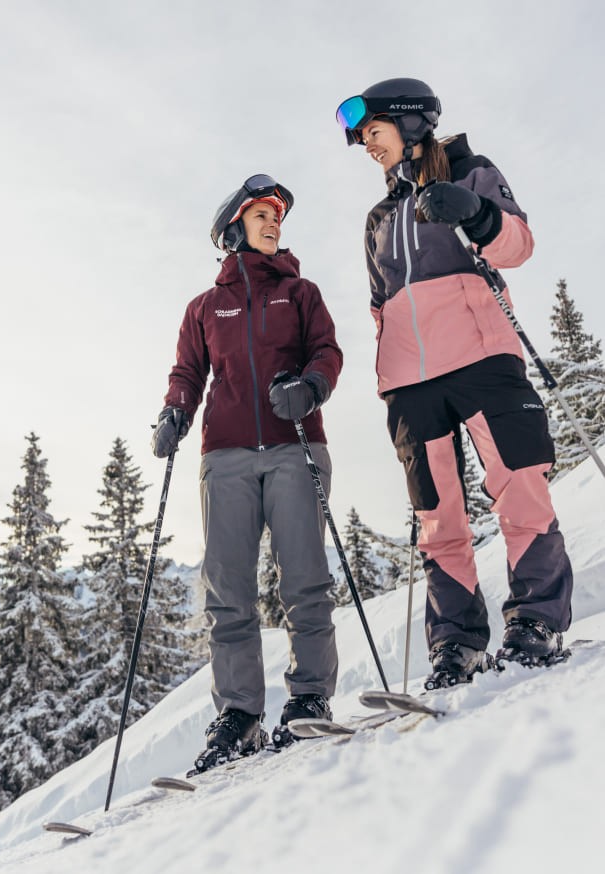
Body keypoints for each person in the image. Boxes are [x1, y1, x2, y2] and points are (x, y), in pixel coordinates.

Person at [335, 78, 574, 688]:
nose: (367, 145)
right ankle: (456, 643)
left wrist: (476, 213)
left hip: (484, 358)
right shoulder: (379, 217)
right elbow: (379, 300)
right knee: (438, 518)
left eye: (373, 131)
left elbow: (517, 244)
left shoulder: (471, 171)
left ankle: (537, 620)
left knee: (520, 484)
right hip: (412, 383)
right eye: (361, 137)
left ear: (411, 122)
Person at [152, 174, 343, 770]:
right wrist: (174, 412)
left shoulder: (301, 292)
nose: (274, 221)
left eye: (279, 215)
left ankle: (310, 696)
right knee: (228, 591)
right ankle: (240, 714)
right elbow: (188, 371)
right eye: (262, 213)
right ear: (234, 226)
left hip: (295, 446)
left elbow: (327, 352)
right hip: (226, 456)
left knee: (305, 579)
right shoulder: (205, 307)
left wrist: (311, 385)